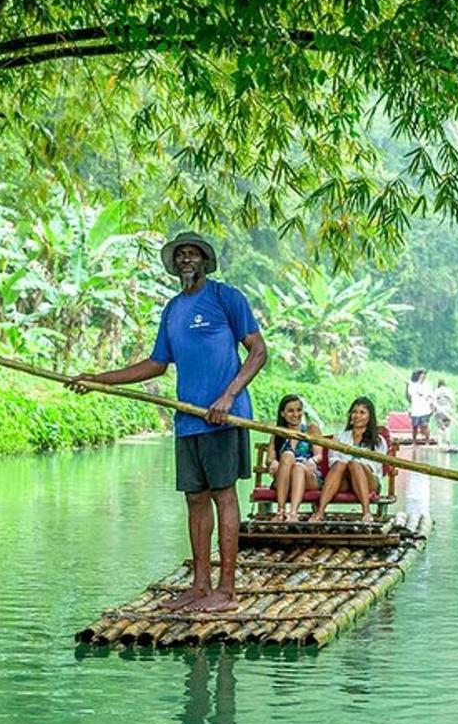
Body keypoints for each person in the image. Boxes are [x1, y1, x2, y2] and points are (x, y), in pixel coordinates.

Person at [67, 231, 267, 612]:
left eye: (193, 254)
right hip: (189, 419)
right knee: (195, 498)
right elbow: (156, 364)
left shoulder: (226, 298)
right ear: (175, 264)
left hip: (224, 418)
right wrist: (99, 380)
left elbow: (258, 352)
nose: (186, 260)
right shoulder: (173, 310)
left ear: (205, 262)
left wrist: (228, 396)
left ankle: (226, 591)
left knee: (224, 495)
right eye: (181, 256)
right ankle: (199, 586)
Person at [311, 397, 388, 524]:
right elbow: (332, 460)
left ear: (370, 417)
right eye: (354, 412)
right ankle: (320, 512)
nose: (357, 415)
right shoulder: (341, 436)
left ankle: (366, 513)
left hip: (369, 481)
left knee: (355, 465)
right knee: (340, 464)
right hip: (345, 480)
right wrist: (347, 465)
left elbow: (374, 467)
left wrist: (354, 465)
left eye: (362, 412)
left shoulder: (378, 440)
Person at [266, 394, 323, 523]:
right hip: (284, 477)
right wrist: (274, 462)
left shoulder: (310, 429)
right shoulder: (278, 433)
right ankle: (280, 511)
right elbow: (270, 458)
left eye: (298, 410)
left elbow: (319, 455)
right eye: (290, 411)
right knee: (287, 455)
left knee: (298, 467)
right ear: (283, 414)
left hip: (308, 475)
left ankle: (293, 513)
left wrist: (312, 460)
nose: (295, 414)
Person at [406, 369, 433, 444]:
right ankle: (414, 442)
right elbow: (409, 395)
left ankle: (427, 442)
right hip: (415, 409)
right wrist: (407, 386)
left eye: (424, 374)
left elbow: (430, 395)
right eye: (422, 374)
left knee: (425, 426)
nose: (423, 376)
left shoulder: (428, 384)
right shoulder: (413, 384)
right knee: (414, 427)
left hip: (425, 409)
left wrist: (425, 395)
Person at [433, 378, 457, 448]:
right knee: (447, 426)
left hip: (439, 411)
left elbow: (434, 401)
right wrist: (453, 411)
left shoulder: (436, 391)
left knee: (440, 427)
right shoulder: (449, 390)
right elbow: (453, 402)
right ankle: (448, 441)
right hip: (448, 410)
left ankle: (440, 443)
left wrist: (434, 411)